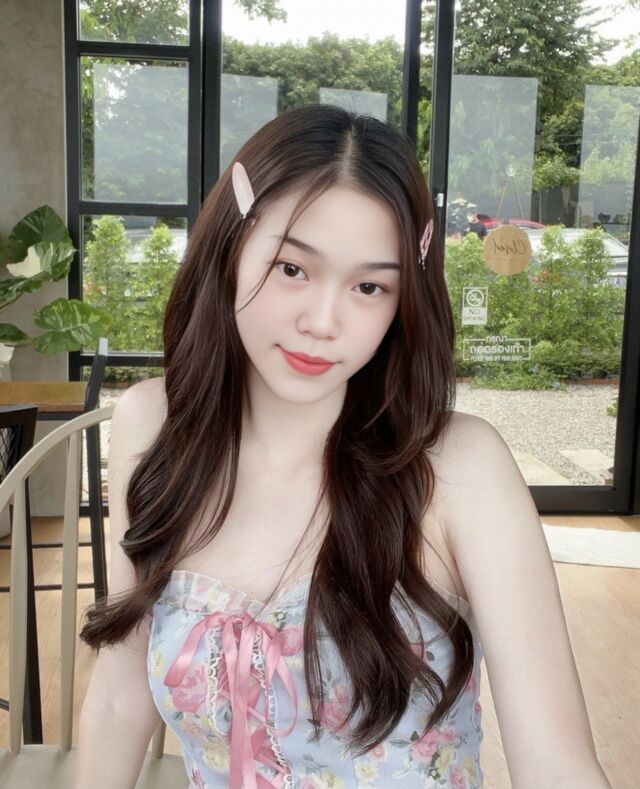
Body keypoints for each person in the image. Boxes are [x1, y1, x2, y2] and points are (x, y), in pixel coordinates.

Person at [74, 104, 612, 789]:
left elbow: (555, 765)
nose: (323, 322)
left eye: (368, 286)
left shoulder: (458, 469)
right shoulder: (154, 427)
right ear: (230, 248)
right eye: (292, 268)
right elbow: (120, 699)